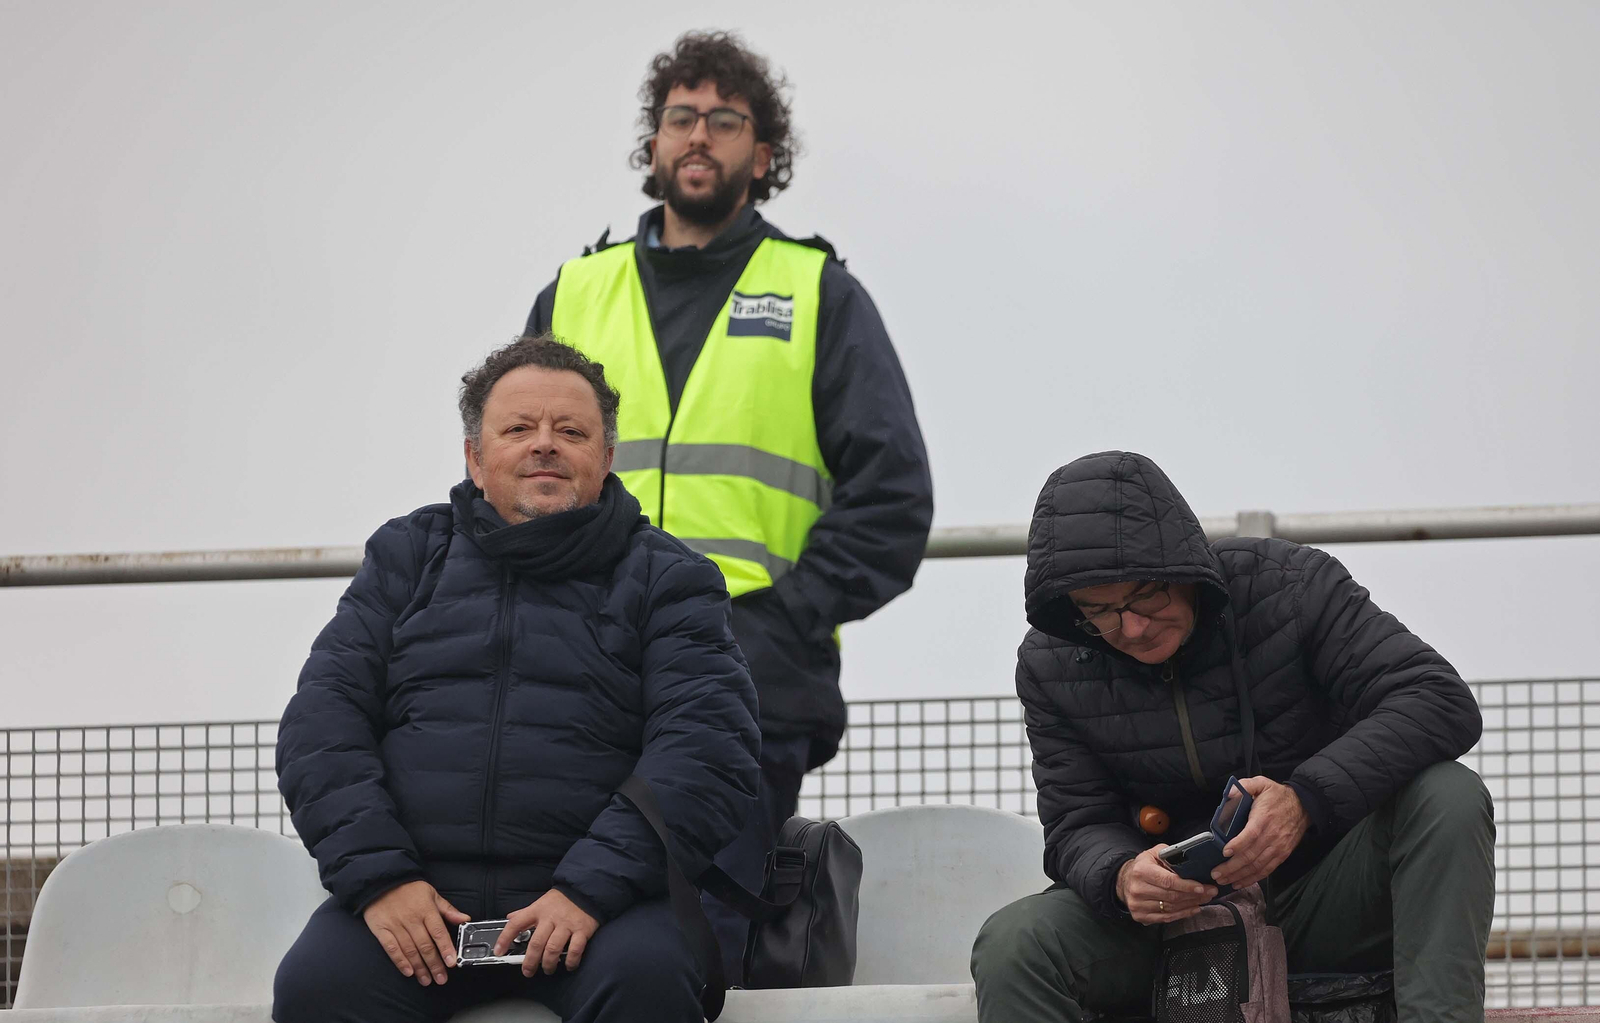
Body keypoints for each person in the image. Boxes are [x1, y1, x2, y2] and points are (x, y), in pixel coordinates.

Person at [523, 30, 934, 979]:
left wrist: (780, 620)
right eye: (680, 116)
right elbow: (508, 480)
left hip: (745, 680)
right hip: (579, 671)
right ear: (654, 141)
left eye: (724, 118)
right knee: (559, 939)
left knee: (694, 939)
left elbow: (893, 498)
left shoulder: (817, 293)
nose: (698, 134)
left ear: (764, 152)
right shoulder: (576, 292)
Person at [272, 335, 759, 1023]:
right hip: (418, 902)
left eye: (571, 431)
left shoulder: (669, 578)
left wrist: (589, 889)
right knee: (316, 988)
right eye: (519, 429)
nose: (545, 445)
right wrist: (382, 879)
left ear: (607, 457)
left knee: (647, 984)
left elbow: (707, 748)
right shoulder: (407, 556)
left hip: (603, 910)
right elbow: (322, 724)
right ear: (475, 457)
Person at [969, 450, 1493, 1023]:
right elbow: (1077, 822)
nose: (1132, 628)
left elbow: (1437, 698)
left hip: (1320, 900)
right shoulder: (1049, 663)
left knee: (1448, 794)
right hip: (1164, 926)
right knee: (1015, 943)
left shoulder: (1289, 587)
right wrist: (1121, 876)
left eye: (1145, 596)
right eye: (1100, 611)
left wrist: (1304, 801)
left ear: (1183, 567)